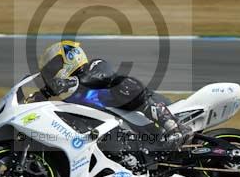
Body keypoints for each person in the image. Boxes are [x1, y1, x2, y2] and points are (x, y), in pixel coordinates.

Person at [37, 40, 193, 150]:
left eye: (53, 67)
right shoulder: (66, 94)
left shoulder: (95, 66)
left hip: (150, 112)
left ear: (70, 57)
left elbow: (97, 75)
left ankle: (174, 126)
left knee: (122, 85)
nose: (50, 74)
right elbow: (41, 100)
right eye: (47, 72)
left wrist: (70, 82)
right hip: (123, 132)